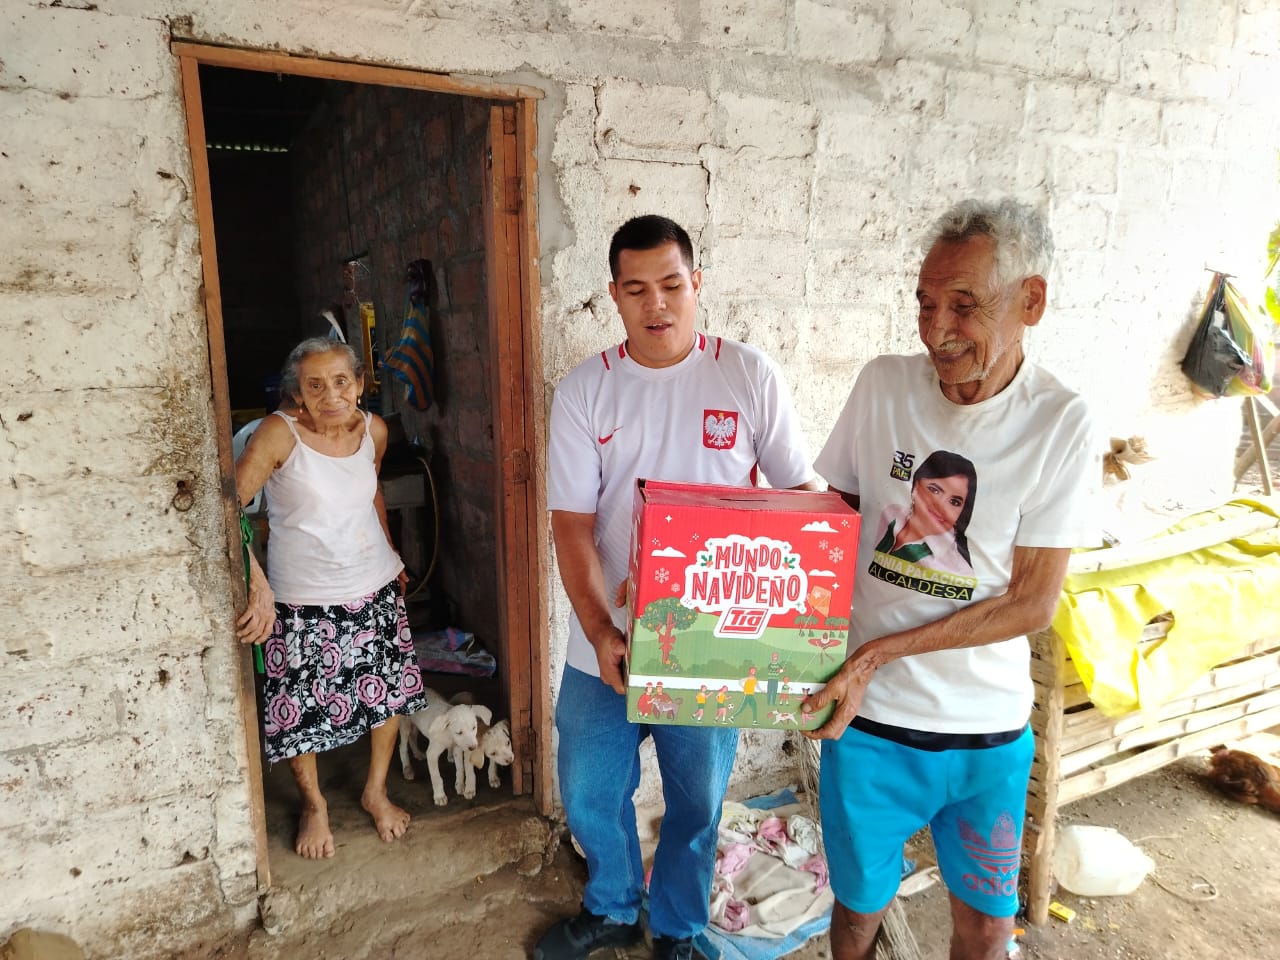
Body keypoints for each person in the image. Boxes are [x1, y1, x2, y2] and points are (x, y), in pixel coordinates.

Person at [805, 198, 1099, 960]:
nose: (937, 330)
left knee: (987, 926)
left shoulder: (1060, 423)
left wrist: (877, 652)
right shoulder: (882, 387)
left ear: (1030, 301)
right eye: (925, 304)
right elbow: (829, 525)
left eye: (964, 306)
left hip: (985, 736)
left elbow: (1031, 603)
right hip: (869, 724)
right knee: (858, 914)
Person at [541, 214, 818, 960]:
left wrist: (810, 614)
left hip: (710, 648)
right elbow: (572, 525)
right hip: (607, 640)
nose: (656, 304)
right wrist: (600, 630)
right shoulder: (585, 390)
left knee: (697, 801)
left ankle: (678, 927)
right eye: (636, 289)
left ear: (696, 283)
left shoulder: (747, 375)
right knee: (590, 789)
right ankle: (611, 906)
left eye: (671, 284)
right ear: (614, 295)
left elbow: (802, 499)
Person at [234, 337, 426, 859]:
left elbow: (371, 491)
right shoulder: (278, 434)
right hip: (302, 598)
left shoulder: (374, 431)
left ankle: (375, 791)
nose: (331, 394)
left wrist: (391, 551)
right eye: (314, 385)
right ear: (297, 393)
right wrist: (256, 580)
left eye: (342, 381)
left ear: (360, 384)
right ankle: (314, 805)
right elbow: (228, 507)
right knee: (300, 708)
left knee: (386, 693)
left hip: (373, 583)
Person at [872, 449, 977, 575]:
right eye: (934, 490)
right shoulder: (891, 513)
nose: (940, 505)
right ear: (915, 487)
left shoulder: (961, 570)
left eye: (954, 502)